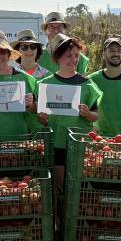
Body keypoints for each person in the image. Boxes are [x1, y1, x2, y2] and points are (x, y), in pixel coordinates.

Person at [37, 34, 101, 190]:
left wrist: (87, 114)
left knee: (78, 187)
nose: (73, 60)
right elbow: (42, 118)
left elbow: (96, 115)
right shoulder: (46, 84)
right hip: (56, 142)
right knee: (59, 187)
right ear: (57, 58)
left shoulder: (87, 84)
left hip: (79, 142)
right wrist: (42, 118)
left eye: (76, 56)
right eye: (68, 56)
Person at [88, 36, 121, 138]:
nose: (115, 53)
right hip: (100, 138)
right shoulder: (92, 80)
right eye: (111, 50)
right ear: (103, 54)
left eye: (119, 50)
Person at [37, 11, 89, 75]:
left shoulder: (79, 58)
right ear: (45, 32)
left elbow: (82, 82)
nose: (56, 31)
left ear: (65, 30)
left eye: (59, 27)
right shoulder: (38, 57)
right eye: (51, 27)